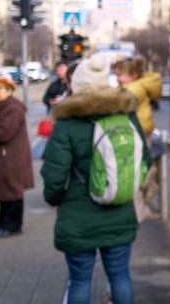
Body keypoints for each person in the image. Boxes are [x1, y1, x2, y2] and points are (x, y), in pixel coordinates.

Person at [41, 54, 151, 304]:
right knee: (120, 277)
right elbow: (144, 161)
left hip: (78, 216)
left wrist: (53, 198)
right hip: (120, 211)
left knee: (80, 280)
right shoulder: (126, 115)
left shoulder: (67, 123)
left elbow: (54, 174)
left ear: (76, 85)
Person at [0, 76, 35, 239]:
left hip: (11, 159)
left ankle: (13, 226)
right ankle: (4, 223)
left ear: (9, 91)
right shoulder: (1, 106)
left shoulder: (13, 108)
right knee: (5, 192)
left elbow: (4, 133)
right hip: (4, 158)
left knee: (12, 192)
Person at [111, 56, 162, 137]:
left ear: (134, 75)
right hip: (140, 128)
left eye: (120, 75)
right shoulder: (135, 85)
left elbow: (119, 102)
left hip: (138, 129)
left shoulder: (134, 88)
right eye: (116, 75)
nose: (117, 79)